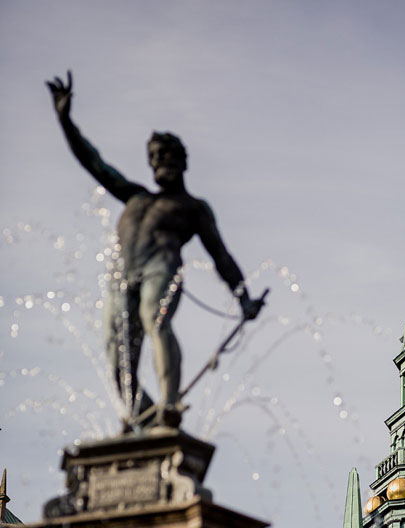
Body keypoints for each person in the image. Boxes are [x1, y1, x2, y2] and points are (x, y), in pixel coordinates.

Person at [46, 71, 263, 430]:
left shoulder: (193, 208)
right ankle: (146, 417)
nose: (159, 159)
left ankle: (170, 403)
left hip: (161, 268)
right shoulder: (134, 195)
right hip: (122, 275)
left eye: (166, 153)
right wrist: (65, 120)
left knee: (154, 318)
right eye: (154, 154)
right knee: (117, 355)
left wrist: (244, 299)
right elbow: (93, 162)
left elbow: (221, 256)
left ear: (182, 160)